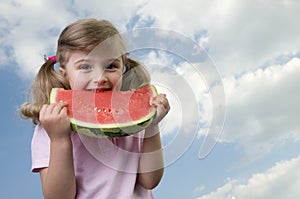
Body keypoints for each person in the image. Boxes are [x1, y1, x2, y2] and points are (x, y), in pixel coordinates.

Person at [20, 18, 170, 199]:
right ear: (64, 73)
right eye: (85, 66)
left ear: (123, 68)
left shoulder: (133, 121)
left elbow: (150, 181)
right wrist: (60, 140)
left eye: (111, 66)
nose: (100, 77)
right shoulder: (49, 128)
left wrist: (152, 125)